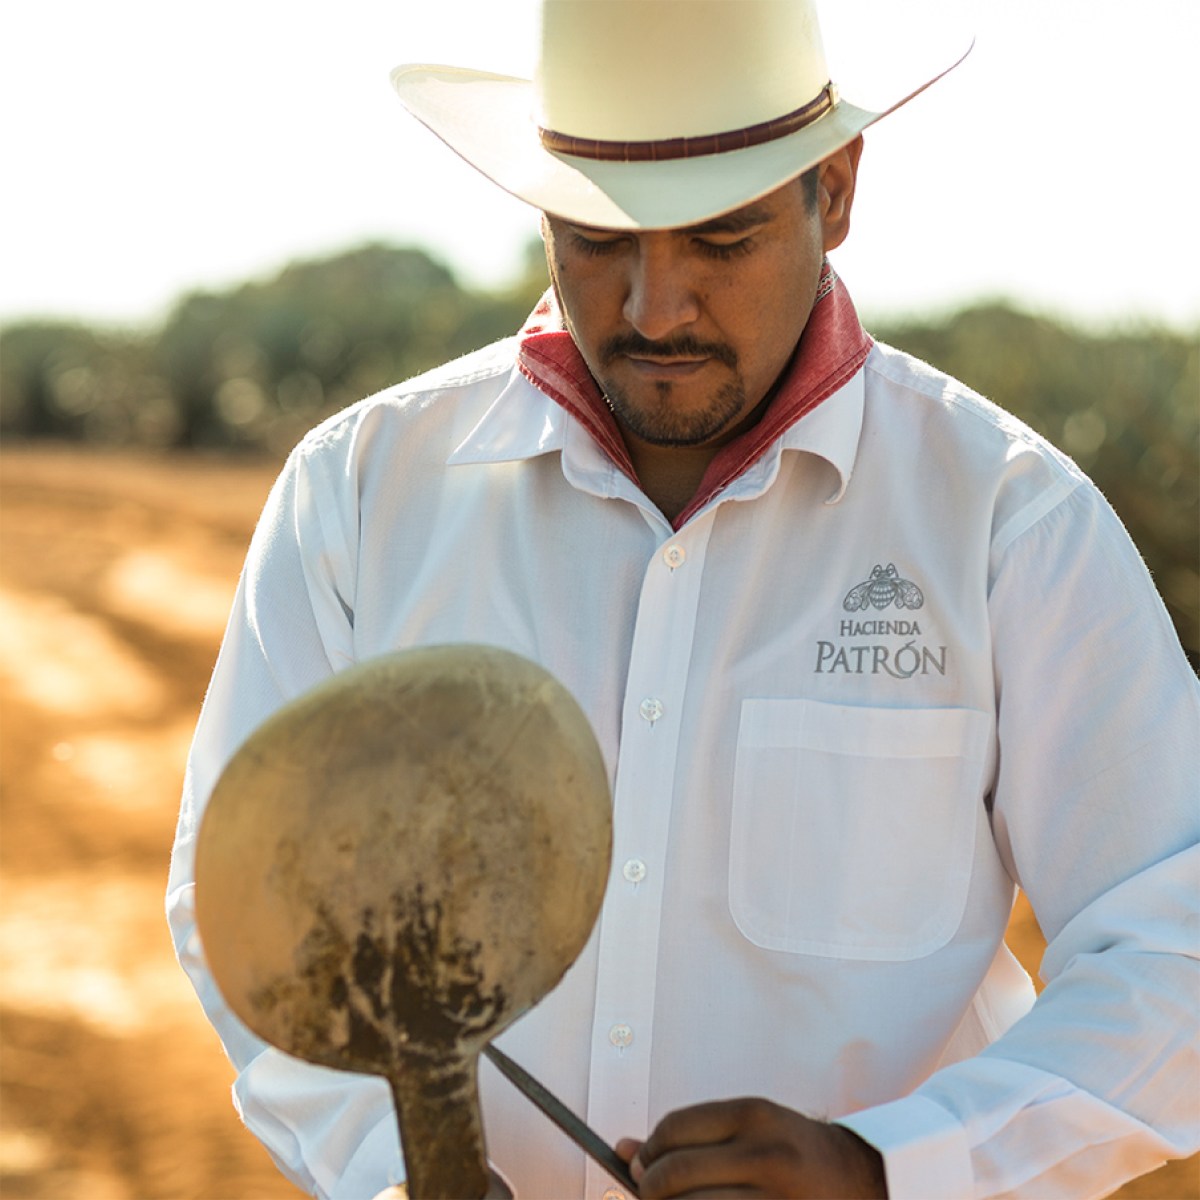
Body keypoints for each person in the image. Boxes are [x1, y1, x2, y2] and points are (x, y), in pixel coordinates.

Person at [166, 1, 1200, 1197]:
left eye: (720, 239)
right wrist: (396, 1175)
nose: (655, 308)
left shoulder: (1010, 523)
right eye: (599, 238)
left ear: (839, 188)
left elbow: (1173, 943)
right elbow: (241, 904)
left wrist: (886, 1170)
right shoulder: (358, 492)